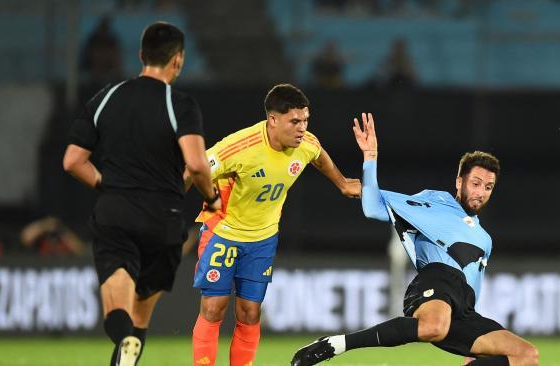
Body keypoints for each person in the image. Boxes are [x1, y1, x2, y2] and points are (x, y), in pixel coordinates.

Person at [291, 113, 539, 366]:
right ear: (459, 181)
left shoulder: (485, 239)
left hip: (463, 306)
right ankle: (335, 343)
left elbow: (473, 289)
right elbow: (373, 206)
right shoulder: (434, 201)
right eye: (476, 183)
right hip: (437, 279)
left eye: (488, 187)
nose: (481, 192)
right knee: (434, 326)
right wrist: (370, 157)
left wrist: (472, 350)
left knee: (526, 356)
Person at [63, 22, 220, 366]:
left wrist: (107, 185)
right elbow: (196, 165)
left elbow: (73, 161)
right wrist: (211, 197)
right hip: (164, 220)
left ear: (141, 55)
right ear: (177, 60)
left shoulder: (105, 97)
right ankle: (131, 343)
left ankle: (125, 339)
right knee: (141, 314)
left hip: (116, 212)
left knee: (117, 311)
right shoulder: (180, 103)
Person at [189, 83, 362, 366]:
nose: (302, 128)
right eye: (295, 121)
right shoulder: (241, 146)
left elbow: (319, 157)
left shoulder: (305, 144)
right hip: (224, 233)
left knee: (250, 313)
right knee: (214, 308)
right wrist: (174, 204)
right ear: (273, 119)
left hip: (263, 239)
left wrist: (342, 183)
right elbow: (196, 167)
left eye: (305, 120)